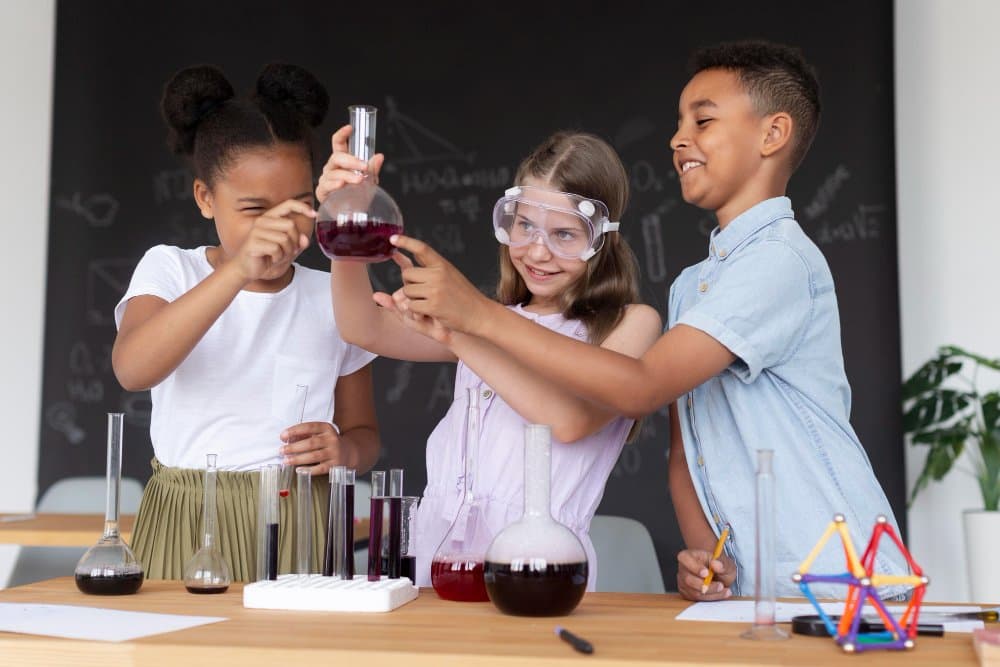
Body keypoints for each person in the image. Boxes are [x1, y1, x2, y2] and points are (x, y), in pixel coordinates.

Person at [385, 40, 908, 600]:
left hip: (840, 574)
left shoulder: (778, 261)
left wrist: (478, 314)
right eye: (679, 122)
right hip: (752, 589)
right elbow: (686, 451)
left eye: (703, 120)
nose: (679, 139)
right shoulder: (694, 285)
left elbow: (639, 388)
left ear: (772, 134)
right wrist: (706, 557)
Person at [316, 128, 662, 588]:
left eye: (564, 234)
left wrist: (465, 332)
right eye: (524, 226)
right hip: (436, 555)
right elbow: (362, 326)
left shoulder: (629, 324)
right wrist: (346, 221)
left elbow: (570, 421)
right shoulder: (488, 320)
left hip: (540, 567)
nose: (538, 251)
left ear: (601, 238)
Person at [112, 64, 380, 581]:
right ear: (205, 198)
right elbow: (132, 368)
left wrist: (344, 449)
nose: (281, 227)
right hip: (188, 513)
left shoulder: (332, 296)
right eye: (255, 209)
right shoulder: (171, 269)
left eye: (301, 205)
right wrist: (238, 270)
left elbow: (365, 432)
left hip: (299, 518)